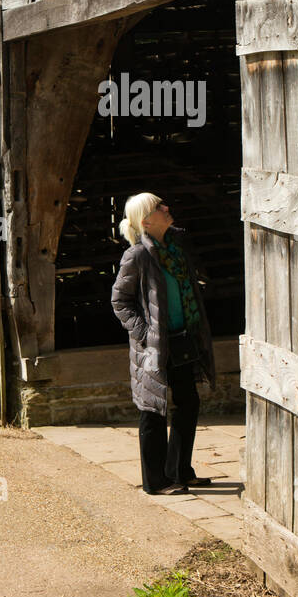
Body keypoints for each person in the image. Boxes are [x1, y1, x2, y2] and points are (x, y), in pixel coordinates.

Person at [111, 192, 217, 495]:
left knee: (188, 403)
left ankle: (179, 471)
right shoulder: (138, 255)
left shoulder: (176, 247)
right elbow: (120, 300)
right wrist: (144, 334)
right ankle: (155, 481)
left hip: (183, 338)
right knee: (153, 410)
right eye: (159, 207)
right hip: (155, 346)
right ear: (146, 220)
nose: (167, 208)